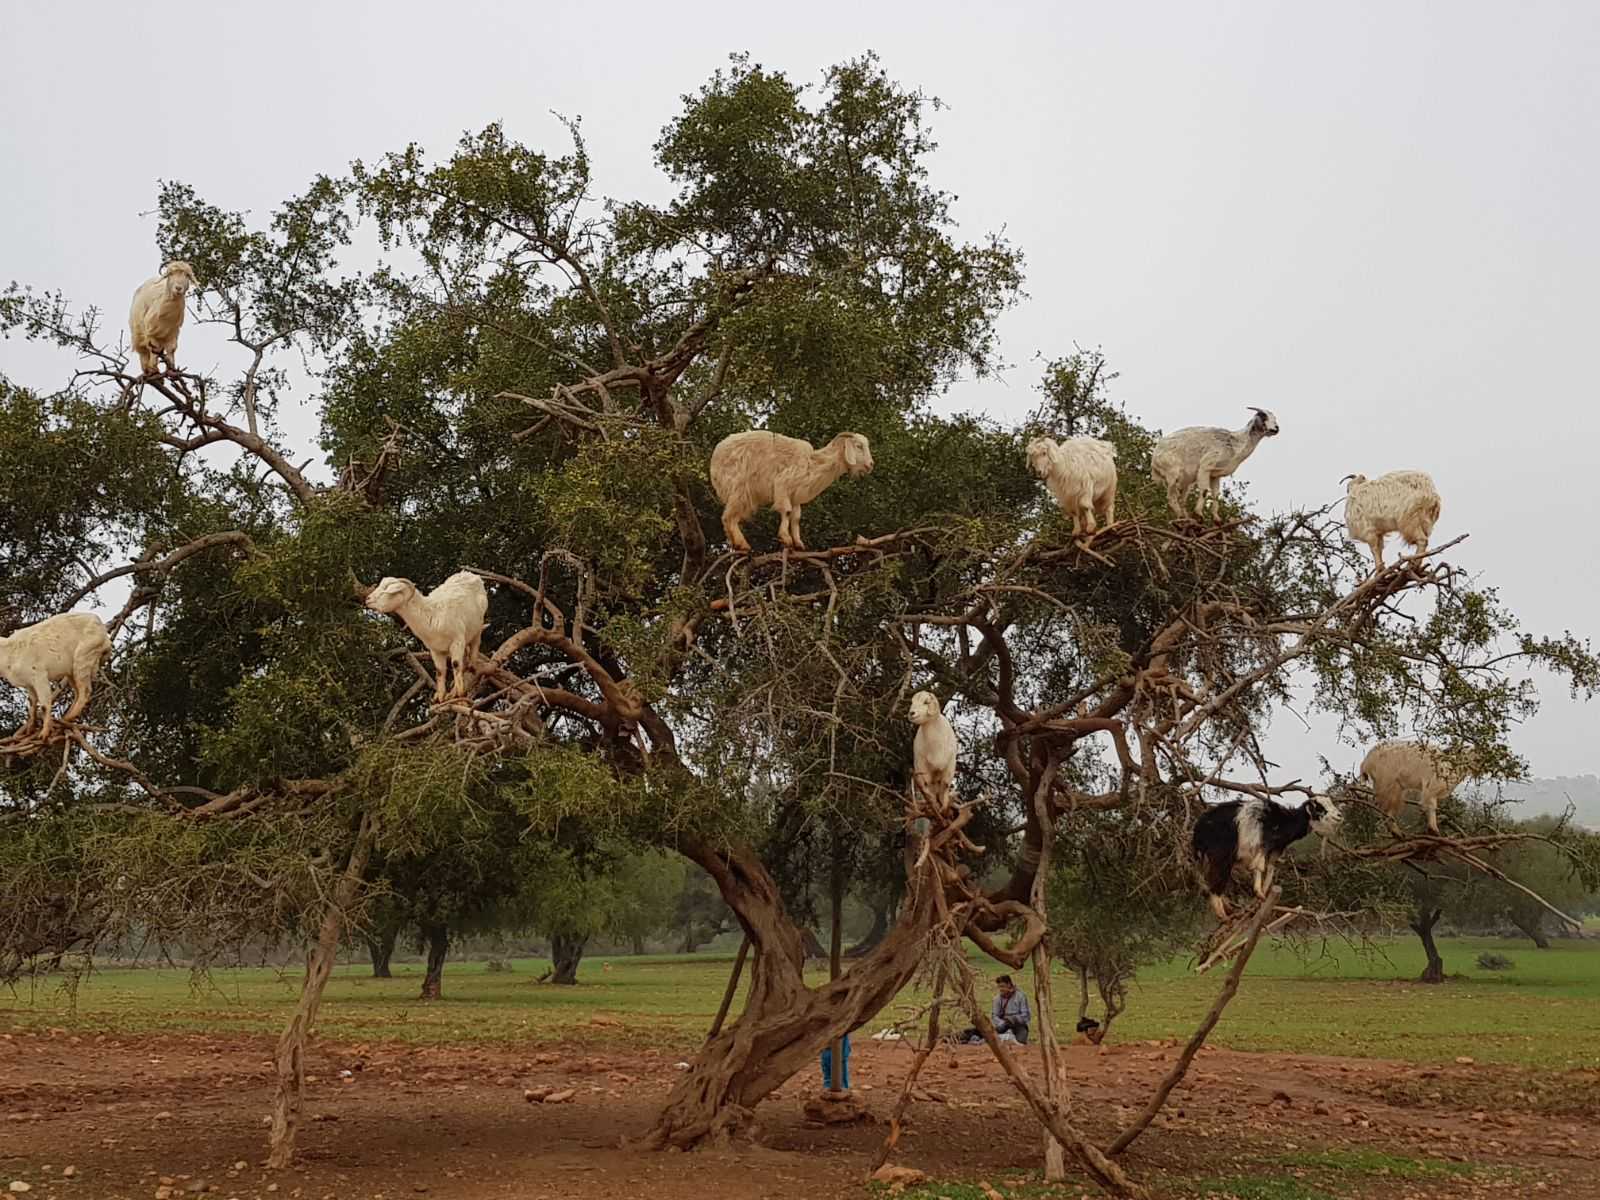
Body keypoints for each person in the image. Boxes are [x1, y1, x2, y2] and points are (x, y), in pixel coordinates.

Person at [958, 974, 1031, 1045]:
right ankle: (962, 1037)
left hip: (1018, 1025)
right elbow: (994, 1016)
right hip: (1002, 1025)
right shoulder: (997, 999)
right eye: (999, 987)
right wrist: (1003, 1023)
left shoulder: (1020, 996)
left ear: (1009, 984)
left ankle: (983, 1040)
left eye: (1003, 986)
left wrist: (1014, 1019)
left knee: (1021, 1041)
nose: (1001, 989)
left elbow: (1026, 1016)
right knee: (982, 1030)